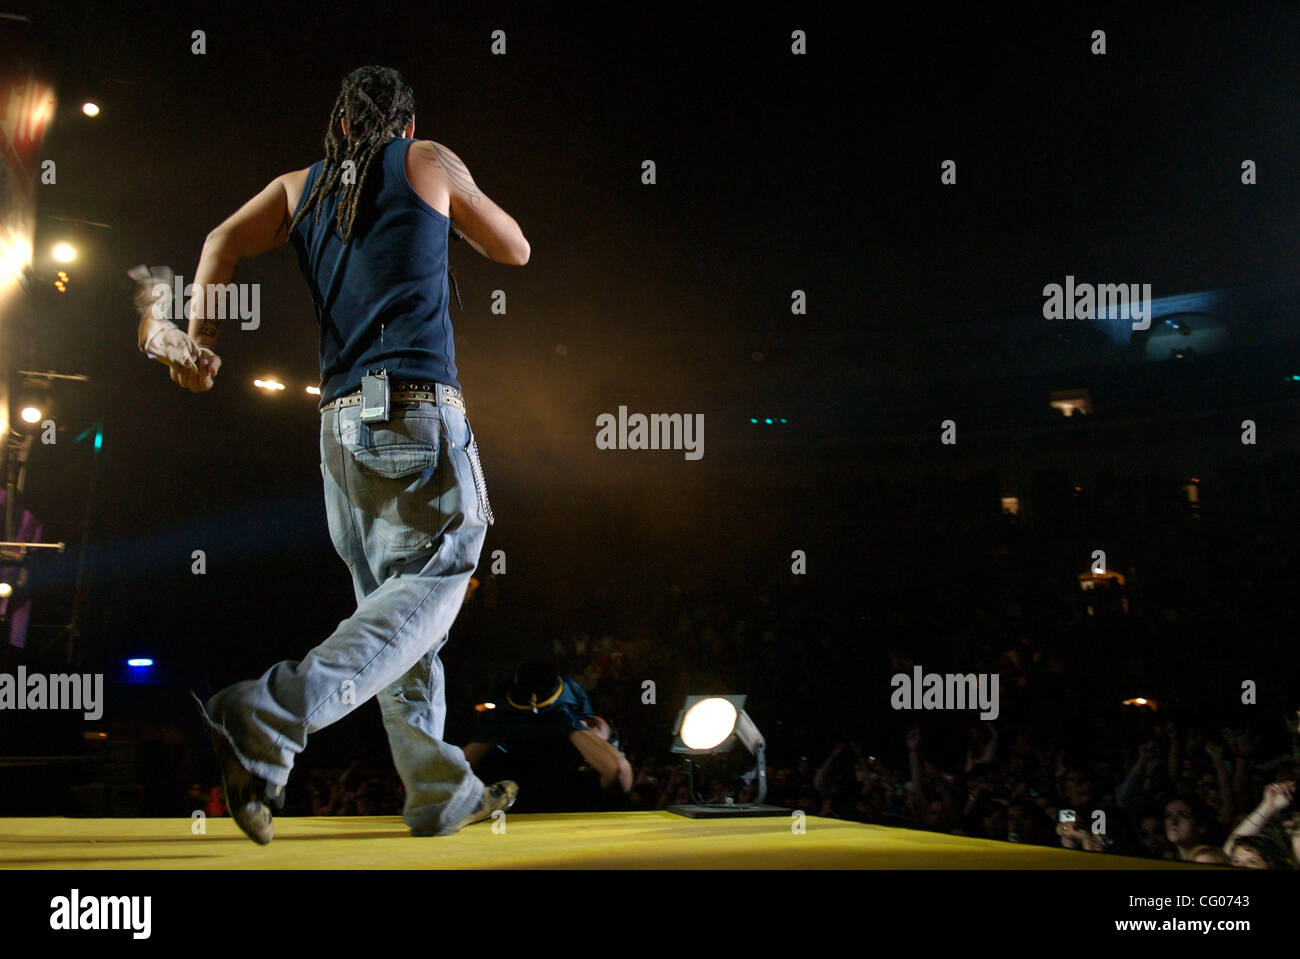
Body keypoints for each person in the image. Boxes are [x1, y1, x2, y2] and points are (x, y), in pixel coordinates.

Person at [147, 65, 529, 843]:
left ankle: (439, 788)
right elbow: (515, 248)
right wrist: (445, 192)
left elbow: (220, 240)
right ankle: (269, 713)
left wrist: (201, 338)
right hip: (418, 411)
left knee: (395, 611)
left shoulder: (300, 186)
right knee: (441, 575)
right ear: (407, 124)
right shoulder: (427, 160)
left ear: (341, 127)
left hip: (341, 429)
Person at [463, 664, 633, 812]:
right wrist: (498, 726)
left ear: (610, 746)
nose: (581, 722)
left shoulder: (593, 779)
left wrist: (568, 722)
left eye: (591, 724)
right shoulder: (520, 759)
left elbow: (618, 772)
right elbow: (451, 774)